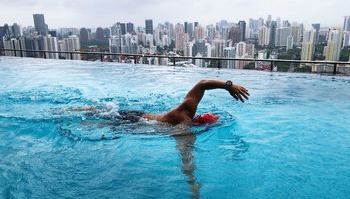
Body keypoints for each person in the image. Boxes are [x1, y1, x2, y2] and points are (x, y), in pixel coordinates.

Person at [67, 79, 249, 125]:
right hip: (136, 122)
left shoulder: (187, 112)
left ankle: (72, 110)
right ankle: (71, 113)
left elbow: (202, 85)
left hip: (140, 116)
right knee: (99, 121)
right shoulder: (184, 119)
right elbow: (186, 156)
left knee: (102, 112)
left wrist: (228, 86)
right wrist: (228, 85)